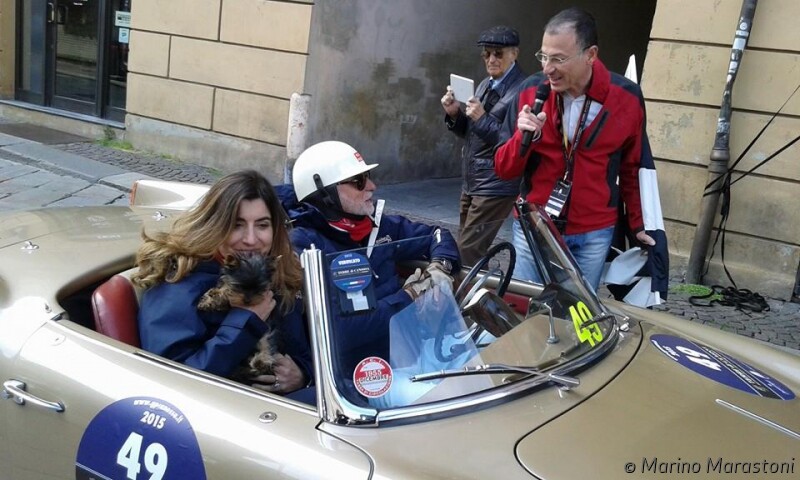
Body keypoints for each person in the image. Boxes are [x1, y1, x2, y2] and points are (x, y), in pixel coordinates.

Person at [494, 7, 660, 292]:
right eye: (544, 56)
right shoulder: (531, 91)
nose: (547, 68)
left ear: (590, 55)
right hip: (534, 225)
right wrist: (524, 137)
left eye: (558, 59)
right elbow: (502, 168)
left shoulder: (627, 98)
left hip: (593, 231)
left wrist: (639, 224)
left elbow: (632, 168)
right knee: (524, 307)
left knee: (579, 313)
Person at [278, 140, 461, 382]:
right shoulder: (306, 245)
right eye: (358, 181)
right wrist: (410, 297)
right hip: (363, 375)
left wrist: (440, 268)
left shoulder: (377, 226)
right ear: (325, 192)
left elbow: (437, 234)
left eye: (368, 177)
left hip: (407, 350)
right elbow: (341, 331)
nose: (372, 186)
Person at [132, 170, 314, 403]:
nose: (251, 239)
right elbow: (176, 381)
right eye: (237, 225)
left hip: (279, 401)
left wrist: (303, 374)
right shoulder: (178, 283)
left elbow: (305, 349)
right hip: (218, 408)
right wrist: (246, 321)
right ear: (214, 225)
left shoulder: (274, 272)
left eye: (262, 225)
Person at [441, 25, 527, 267]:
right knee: (471, 252)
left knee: (465, 253)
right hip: (473, 181)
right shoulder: (484, 84)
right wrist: (455, 114)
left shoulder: (522, 89)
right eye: (486, 54)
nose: (491, 59)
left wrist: (481, 118)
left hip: (495, 183)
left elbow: (515, 142)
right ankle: (479, 289)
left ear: (514, 54)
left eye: (498, 54)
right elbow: (471, 133)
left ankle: (463, 291)